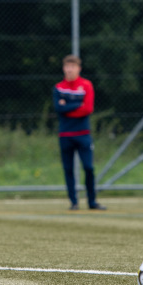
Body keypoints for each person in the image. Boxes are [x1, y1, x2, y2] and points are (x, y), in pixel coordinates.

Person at [52, 55, 106, 211]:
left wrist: (67, 105)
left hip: (83, 134)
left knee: (89, 167)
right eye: (67, 66)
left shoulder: (86, 85)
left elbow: (88, 109)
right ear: (64, 68)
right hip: (65, 135)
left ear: (78, 69)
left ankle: (92, 202)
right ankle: (74, 202)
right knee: (68, 169)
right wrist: (77, 104)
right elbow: (58, 109)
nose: (69, 69)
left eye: (72, 66)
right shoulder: (58, 87)